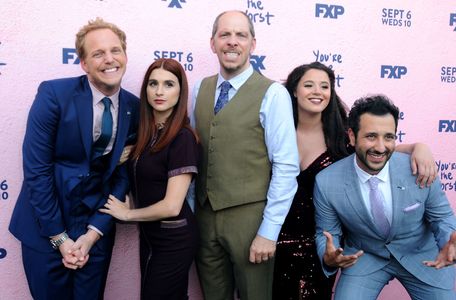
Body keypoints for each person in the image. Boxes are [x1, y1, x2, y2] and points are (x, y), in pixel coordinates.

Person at [273, 62, 439, 299]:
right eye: (308, 85)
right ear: (294, 90)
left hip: (322, 240)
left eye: (325, 86)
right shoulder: (277, 132)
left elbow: (379, 151)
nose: (317, 91)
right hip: (277, 237)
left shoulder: (342, 137)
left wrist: (418, 147)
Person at [9, 18, 139, 299]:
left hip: (95, 230)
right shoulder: (54, 95)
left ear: (125, 55)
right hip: (44, 227)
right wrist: (60, 239)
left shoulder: (135, 107)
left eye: (115, 50)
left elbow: (122, 177)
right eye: (98, 53)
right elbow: (37, 170)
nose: (109, 59)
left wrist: (92, 234)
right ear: (83, 63)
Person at [192, 10, 300, 300]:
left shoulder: (273, 93)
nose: (232, 42)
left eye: (241, 35)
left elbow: (286, 166)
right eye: (224, 34)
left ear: (253, 44)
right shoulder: (198, 89)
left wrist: (269, 231)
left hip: (252, 221)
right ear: (213, 43)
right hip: (204, 217)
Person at [313, 95, 456, 299]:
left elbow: (442, 218)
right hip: (365, 256)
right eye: (371, 136)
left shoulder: (419, 168)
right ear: (352, 137)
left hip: (422, 256)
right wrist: (329, 256)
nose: (381, 147)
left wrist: (449, 243)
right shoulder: (327, 181)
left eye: (388, 137)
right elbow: (326, 233)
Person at [100, 58, 199, 300]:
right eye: (153, 83)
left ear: (180, 91)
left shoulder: (182, 138)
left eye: (168, 84)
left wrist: (128, 214)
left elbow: (172, 205)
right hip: (151, 236)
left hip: (174, 240)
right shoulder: (146, 134)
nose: (159, 91)